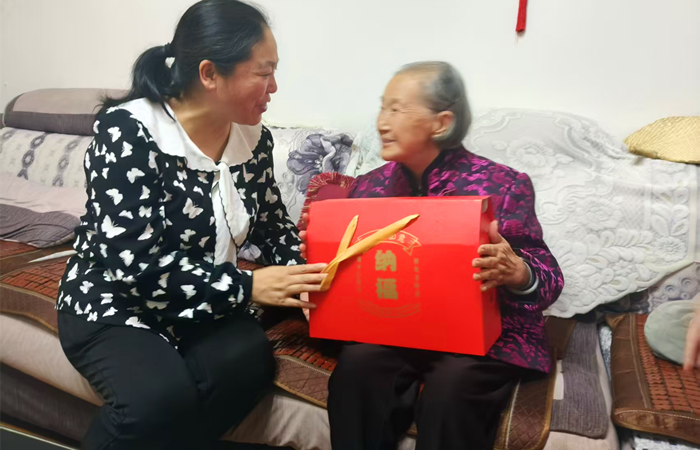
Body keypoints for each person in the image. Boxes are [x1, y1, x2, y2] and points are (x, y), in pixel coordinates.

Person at [55, 1, 326, 449]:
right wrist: (248, 287)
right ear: (209, 73)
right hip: (116, 299)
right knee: (157, 400)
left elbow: (272, 227)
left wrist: (310, 276)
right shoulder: (128, 132)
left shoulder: (253, 139)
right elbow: (135, 266)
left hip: (204, 299)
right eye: (264, 73)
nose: (274, 87)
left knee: (247, 364)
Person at [300, 62, 564, 450]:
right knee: (356, 371)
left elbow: (550, 279)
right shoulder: (367, 189)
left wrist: (518, 271)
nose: (382, 122)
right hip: (392, 327)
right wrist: (321, 260)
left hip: (479, 336)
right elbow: (351, 276)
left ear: (441, 123)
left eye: (397, 109)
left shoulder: (503, 185)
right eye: (383, 107)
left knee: (451, 391)